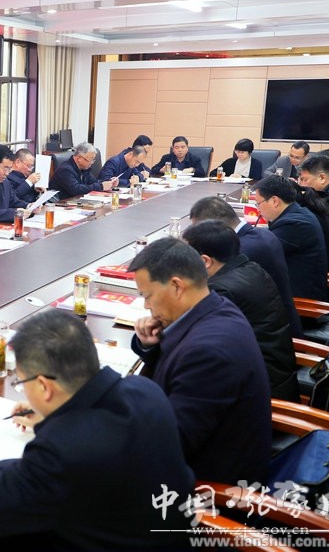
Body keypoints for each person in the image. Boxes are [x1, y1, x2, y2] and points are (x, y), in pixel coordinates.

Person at [0, 309, 194, 550]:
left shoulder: (61, 451)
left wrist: (41, 444)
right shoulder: (144, 390)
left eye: (21, 382)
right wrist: (55, 417)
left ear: (44, 386)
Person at [128, 237, 271, 486]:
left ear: (177, 286)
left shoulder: (209, 353)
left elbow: (168, 447)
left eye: (148, 295)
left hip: (207, 488)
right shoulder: (216, 306)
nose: (146, 305)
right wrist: (151, 346)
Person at [182, 220, 299, 401]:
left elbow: (194, 343)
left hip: (257, 392)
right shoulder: (252, 268)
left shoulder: (220, 290)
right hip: (277, 373)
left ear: (205, 261)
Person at [188, 196, 301, 337]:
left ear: (215, 229)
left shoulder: (239, 251)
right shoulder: (263, 233)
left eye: (198, 231)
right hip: (279, 325)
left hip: (265, 337)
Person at [251, 175, 328, 301]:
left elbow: (258, 252)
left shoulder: (294, 224)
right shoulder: (297, 213)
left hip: (299, 300)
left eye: (258, 204)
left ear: (275, 201)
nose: (258, 209)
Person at [49, 142, 117, 199]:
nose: (92, 163)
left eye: (93, 160)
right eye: (90, 160)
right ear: (79, 158)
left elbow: (94, 182)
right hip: (62, 204)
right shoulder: (65, 170)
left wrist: (109, 182)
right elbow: (76, 190)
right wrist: (101, 186)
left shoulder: (84, 168)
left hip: (77, 201)